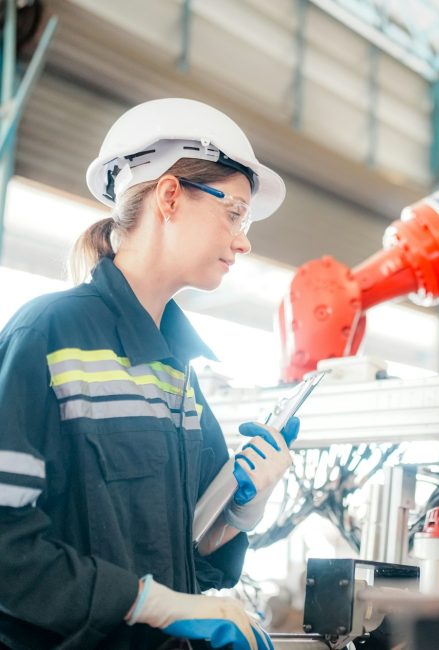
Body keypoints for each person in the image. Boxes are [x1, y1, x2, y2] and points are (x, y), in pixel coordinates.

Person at [0, 98, 297, 649]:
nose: (244, 239)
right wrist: (148, 602)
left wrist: (239, 510)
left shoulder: (176, 374)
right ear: (169, 196)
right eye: (235, 212)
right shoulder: (46, 336)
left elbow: (192, 563)